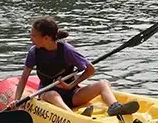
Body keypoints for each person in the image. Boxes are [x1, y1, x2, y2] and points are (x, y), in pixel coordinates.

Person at [8, 16, 138, 117]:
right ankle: (71, 116)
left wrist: (71, 85)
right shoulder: (34, 52)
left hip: (73, 94)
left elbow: (90, 70)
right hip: (47, 93)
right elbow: (24, 77)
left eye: (33, 36)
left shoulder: (67, 50)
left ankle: (114, 107)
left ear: (46, 38)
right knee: (53, 94)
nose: (31, 39)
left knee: (103, 83)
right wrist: (17, 100)